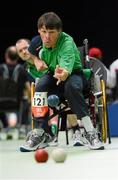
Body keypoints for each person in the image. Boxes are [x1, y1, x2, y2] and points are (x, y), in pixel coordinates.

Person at [20, 12, 104, 152]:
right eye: (44, 31)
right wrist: (37, 60)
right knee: (40, 86)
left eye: (51, 32)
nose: (47, 36)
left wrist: (63, 74)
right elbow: (31, 54)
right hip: (52, 75)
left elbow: (65, 73)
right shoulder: (37, 41)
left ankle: (90, 132)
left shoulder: (67, 43)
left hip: (73, 75)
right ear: (39, 31)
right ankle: (41, 133)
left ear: (59, 32)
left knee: (71, 86)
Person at [0, 46, 31, 139]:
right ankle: (21, 128)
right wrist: (30, 101)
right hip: (17, 103)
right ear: (17, 56)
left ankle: (5, 127)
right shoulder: (22, 70)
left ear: (6, 55)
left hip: (0, 103)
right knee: (26, 101)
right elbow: (28, 88)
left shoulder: (0, 68)